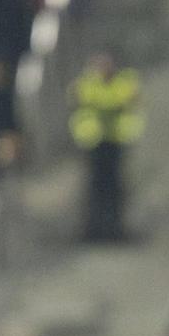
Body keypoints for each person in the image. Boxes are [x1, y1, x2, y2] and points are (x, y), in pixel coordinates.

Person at [70, 53, 143, 243]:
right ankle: (93, 228)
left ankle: (114, 228)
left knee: (114, 189)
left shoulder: (122, 82)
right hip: (93, 143)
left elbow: (125, 99)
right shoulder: (88, 83)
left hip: (115, 142)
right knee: (95, 189)